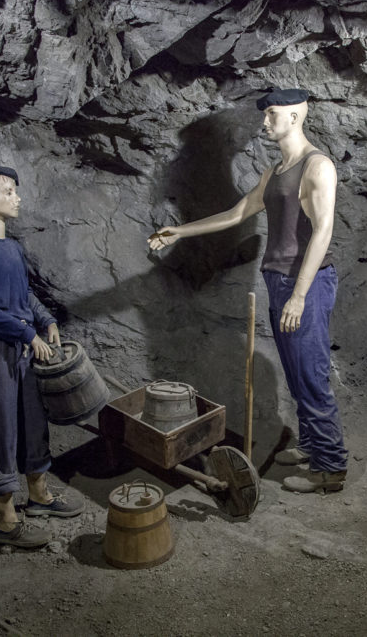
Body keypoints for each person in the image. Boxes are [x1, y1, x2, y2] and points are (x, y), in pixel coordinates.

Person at [148, 88, 349, 494]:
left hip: (304, 283)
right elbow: (239, 212)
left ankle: (331, 468)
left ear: (294, 116)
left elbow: (323, 231)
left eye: (273, 114)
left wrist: (299, 295)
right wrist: (180, 231)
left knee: (310, 375)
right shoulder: (275, 172)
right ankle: (312, 447)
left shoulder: (317, 166)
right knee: (296, 373)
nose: (266, 121)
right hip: (278, 278)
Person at [0, 165, 84, 547]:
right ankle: (4, 520)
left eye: (16, 191)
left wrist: (45, 320)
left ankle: (39, 495)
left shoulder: (12, 248)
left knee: (33, 421)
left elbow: (23, 295)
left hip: (23, 348)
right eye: (9, 191)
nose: (18, 198)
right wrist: (27, 332)